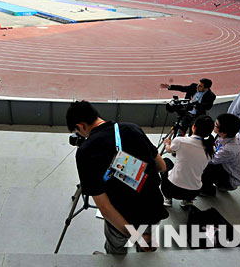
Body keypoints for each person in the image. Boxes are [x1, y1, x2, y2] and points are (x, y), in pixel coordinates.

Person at [66, 101, 168, 254]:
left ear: (80, 126)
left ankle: (115, 259)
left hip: (123, 218)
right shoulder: (132, 128)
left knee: (116, 249)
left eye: (77, 131)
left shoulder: (85, 152)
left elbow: (106, 209)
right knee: (147, 245)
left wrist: (135, 237)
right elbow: (161, 166)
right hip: (153, 208)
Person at [161, 115, 215, 208]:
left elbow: (169, 150)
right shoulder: (211, 149)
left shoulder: (180, 141)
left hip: (172, 188)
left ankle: (168, 198)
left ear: (194, 127)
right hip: (194, 191)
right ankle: (187, 201)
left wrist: (166, 143)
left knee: (166, 161)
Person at [199, 113, 240, 197]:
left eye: (216, 125)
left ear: (224, 132)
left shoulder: (230, 149)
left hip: (231, 180)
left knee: (204, 166)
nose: (214, 125)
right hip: (228, 168)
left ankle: (207, 191)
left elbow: (210, 160)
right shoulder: (234, 134)